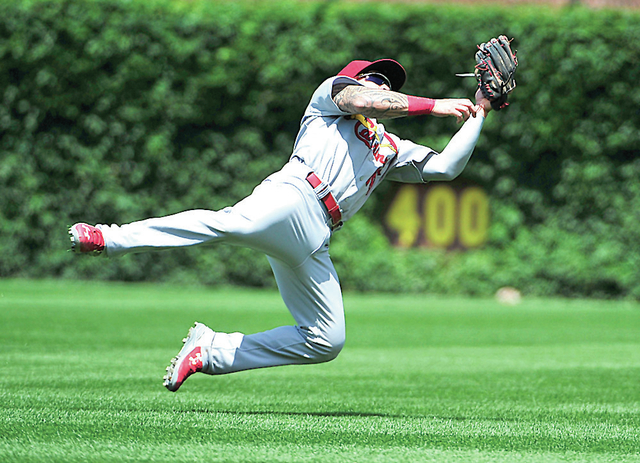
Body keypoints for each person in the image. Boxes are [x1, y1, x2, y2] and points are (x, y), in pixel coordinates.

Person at [69, 58, 493, 392]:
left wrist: (481, 109)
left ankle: (211, 351)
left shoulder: (391, 146)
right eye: (375, 76)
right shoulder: (332, 96)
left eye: (389, 81)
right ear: (353, 78)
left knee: (326, 340)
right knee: (225, 225)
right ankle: (108, 237)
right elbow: (365, 102)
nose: (384, 85)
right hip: (294, 193)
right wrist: (433, 105)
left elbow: (445, 167)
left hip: (316, 237)